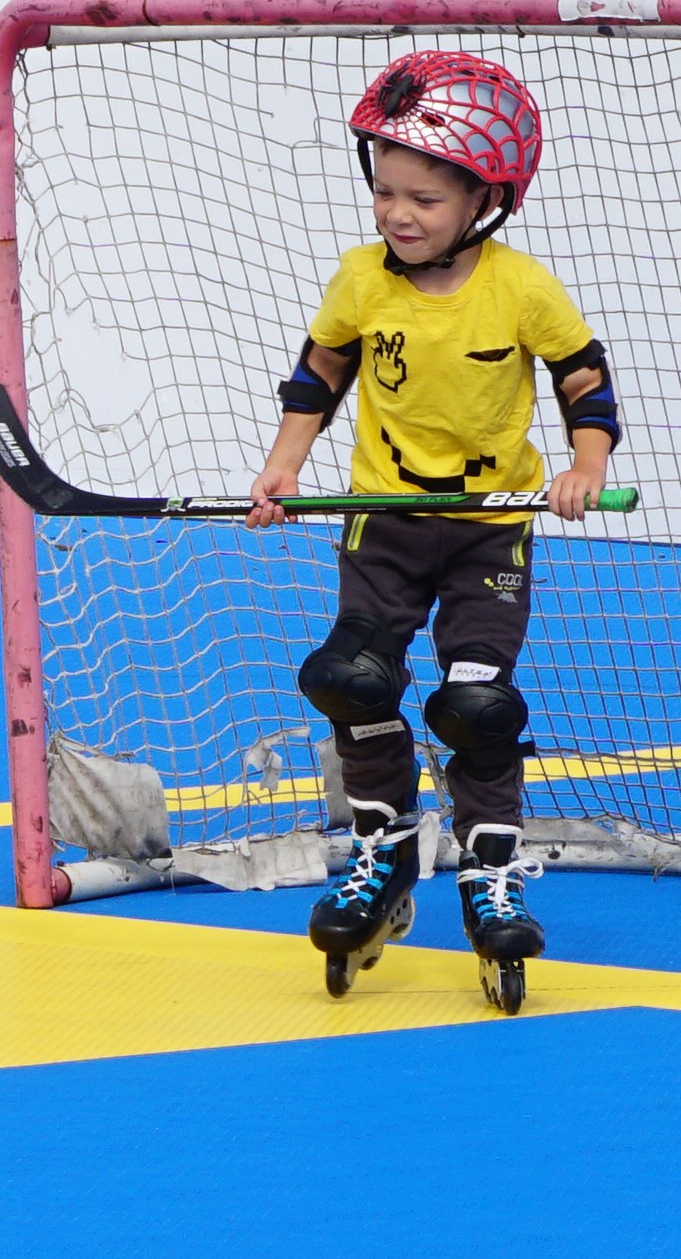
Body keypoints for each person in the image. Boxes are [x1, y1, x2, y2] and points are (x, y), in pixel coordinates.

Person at [245, 51, 617, 1004]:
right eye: (386, 192)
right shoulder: (361, 281)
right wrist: (286, 462)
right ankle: (385, 852)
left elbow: (583, 378)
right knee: (351, 679)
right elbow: (319, 374)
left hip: (491, 530)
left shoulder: (520, 286)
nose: (398, 214)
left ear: (485, 199)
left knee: (476, 705)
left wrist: (585, 469)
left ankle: (490, 876)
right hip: (386, 522)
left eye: (424, 199)